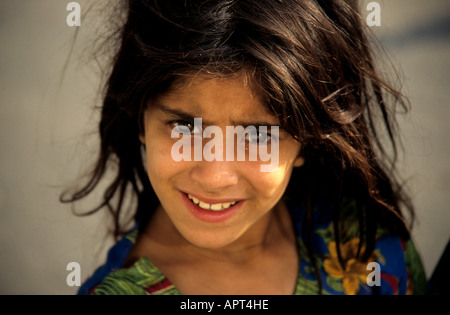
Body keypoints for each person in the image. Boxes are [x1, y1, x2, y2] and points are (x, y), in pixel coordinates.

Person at [63, 0, 428, 295]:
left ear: (308, 138)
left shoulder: (370, 251)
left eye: (257, 137)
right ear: (140, 117)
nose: (215, 176)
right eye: (185, 127)